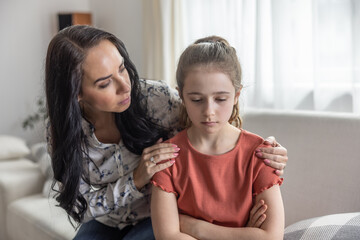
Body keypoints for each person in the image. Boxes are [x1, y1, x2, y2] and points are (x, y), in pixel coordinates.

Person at [45, 25, 287, 240]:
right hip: (107, 220)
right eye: (105, 83)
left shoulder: (157, 100)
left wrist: (267, 152)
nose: (125, 85)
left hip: (159, 214)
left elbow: (210, 128)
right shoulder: (64, 131)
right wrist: (137, 179)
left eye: (122, 68)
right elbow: (80, 205)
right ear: (76, 92)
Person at [151, 36, 284, 239]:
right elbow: (168, 237)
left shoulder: (260, 154)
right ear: (181, 96)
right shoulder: (168, 157)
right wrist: (243, 235)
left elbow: (271, 237)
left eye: (220, 99)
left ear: (236, 95)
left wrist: (195, 228)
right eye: (196, 99)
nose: (209, 111)